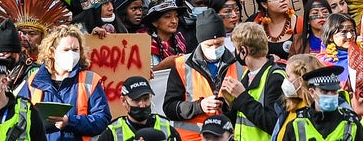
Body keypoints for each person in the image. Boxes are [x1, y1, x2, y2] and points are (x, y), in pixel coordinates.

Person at [16, 25, 111, 141]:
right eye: (66, 50)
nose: (71, 54)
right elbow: (19, 115)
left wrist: (70, 122)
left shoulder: (90, 80)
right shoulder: (34, 80)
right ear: (52, 52)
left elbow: (102, 120)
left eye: (75, 50)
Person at [164, 12, 243, 141]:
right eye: (209, 45)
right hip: (193, 137)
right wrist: (199, 106)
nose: (215, 48)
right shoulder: (181, 65)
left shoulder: (239, 64)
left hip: (228, 136)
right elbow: (169, 108)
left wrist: (227, 106)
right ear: (200, 42)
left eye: (219, 44)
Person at [221, 22, 285, 141]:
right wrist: (230, 104)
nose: (235, 54)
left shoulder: (275, 77)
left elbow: (274, 124)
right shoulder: (247, 73)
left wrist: (241, 97)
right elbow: (241, 119)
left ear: (243, 51)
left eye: (236, 49)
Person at [279, 65, 363, 141]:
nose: (330, 95)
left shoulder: (352, 123)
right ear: (312, 92)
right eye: (325, 91)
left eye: (334, 91)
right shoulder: (296, 125)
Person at [92, 76, 178, 141]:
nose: (142, 105)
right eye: (136, 100)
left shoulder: (166, 127)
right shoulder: (112, 133)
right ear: (123, 101)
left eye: (146, 99)